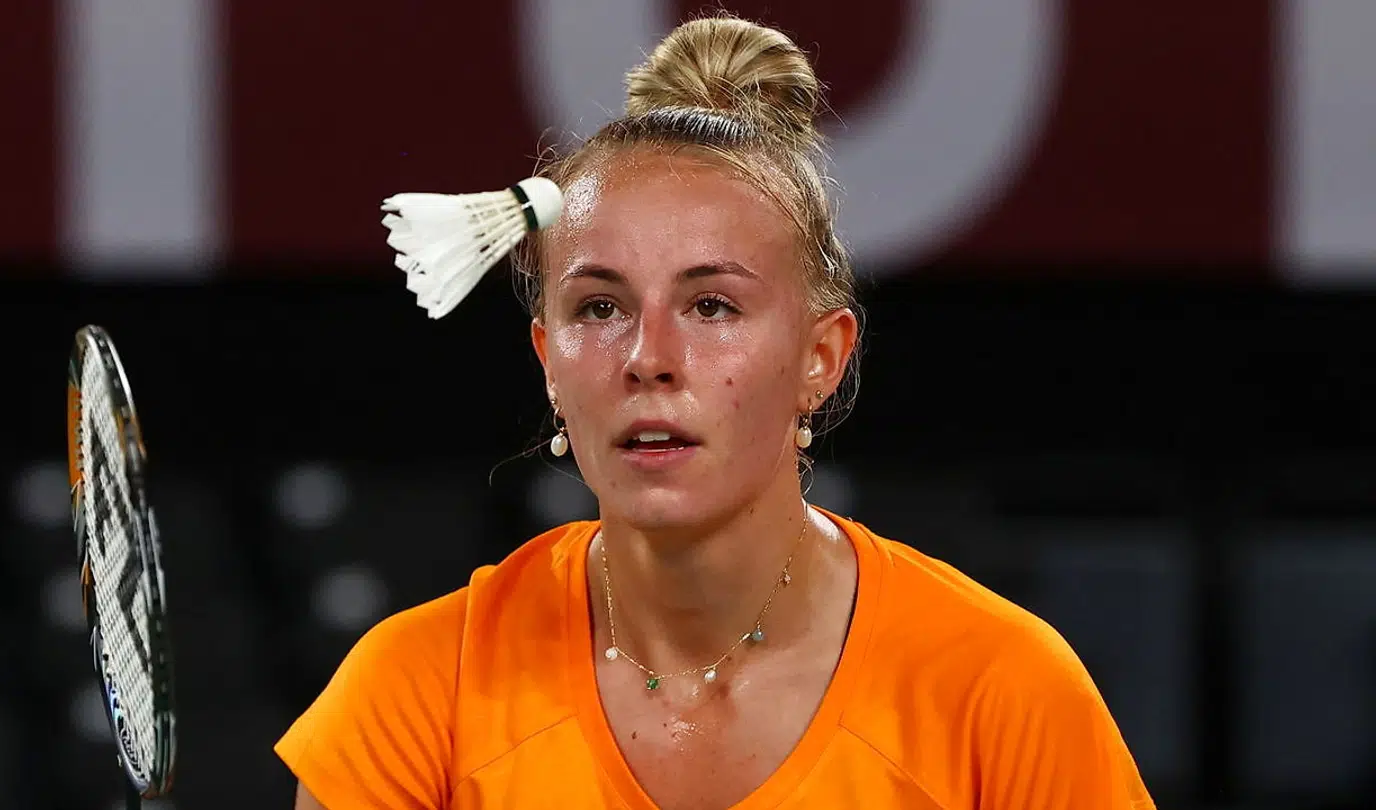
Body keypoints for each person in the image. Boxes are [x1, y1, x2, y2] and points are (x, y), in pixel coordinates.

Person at [275, 13, 1156, 810]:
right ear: (548, 363)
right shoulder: (416, 694)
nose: (648, 359)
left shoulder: (1001, 694)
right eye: (599, 307)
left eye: (712, 307)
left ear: (821, 358)